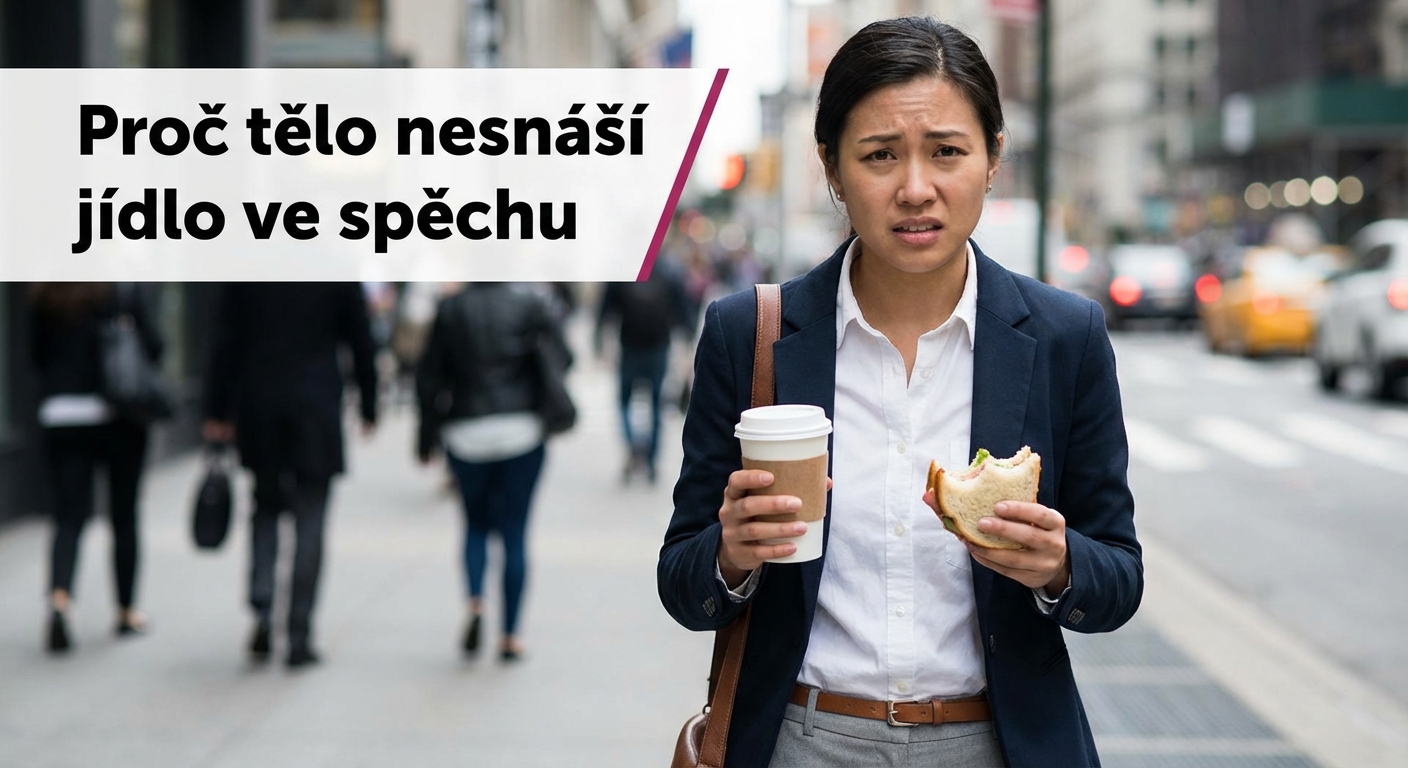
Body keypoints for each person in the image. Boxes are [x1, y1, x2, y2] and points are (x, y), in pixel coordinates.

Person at [658, 17, 1141, 767]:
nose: (916, 190)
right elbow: (683, 582)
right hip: (799, 740)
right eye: (880, 156)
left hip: (997, 744)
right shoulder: (747, 334)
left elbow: (1119, 576)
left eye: (947, 151)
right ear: (832, 167)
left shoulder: (1064, 336)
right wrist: (730, 552)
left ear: (992, 160)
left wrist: (1060, 565)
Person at [203, 283, 379, 668]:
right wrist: (369, 404)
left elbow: (226, 341)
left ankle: (263, 607)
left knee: (265, 509)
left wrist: (216, 409)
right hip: (315, 408)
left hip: (261, 406)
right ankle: (298, 629)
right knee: (310, 521)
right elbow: (360, 339)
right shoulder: (334, 268)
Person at [415, 283, 568, 662]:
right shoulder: (531, 303)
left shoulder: (451, 308)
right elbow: (563, 357)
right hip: (522, 430)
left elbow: (428, 376)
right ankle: (511, 635)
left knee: (475, 525)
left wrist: (425, 438)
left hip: (466, 432)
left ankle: (476, 601)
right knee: (515, 532)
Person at [30, 283, 164, 653]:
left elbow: (36, 354)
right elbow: (153, 343)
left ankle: (60, 598)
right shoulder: (123, 286)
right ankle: (125, 609)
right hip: (116, 413)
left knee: (67, 517)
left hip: (62, 414)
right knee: (123, 515)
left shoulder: (46, 289)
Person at [595, 264, 692, 483]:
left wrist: (599, 344)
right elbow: (683, 312)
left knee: (624, 402)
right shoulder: (670, 271)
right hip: (658, 348)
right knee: (656, 405)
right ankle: (651, 459)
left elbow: (605, 311)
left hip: (629, 347)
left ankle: (633, 445)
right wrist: (687, 345)